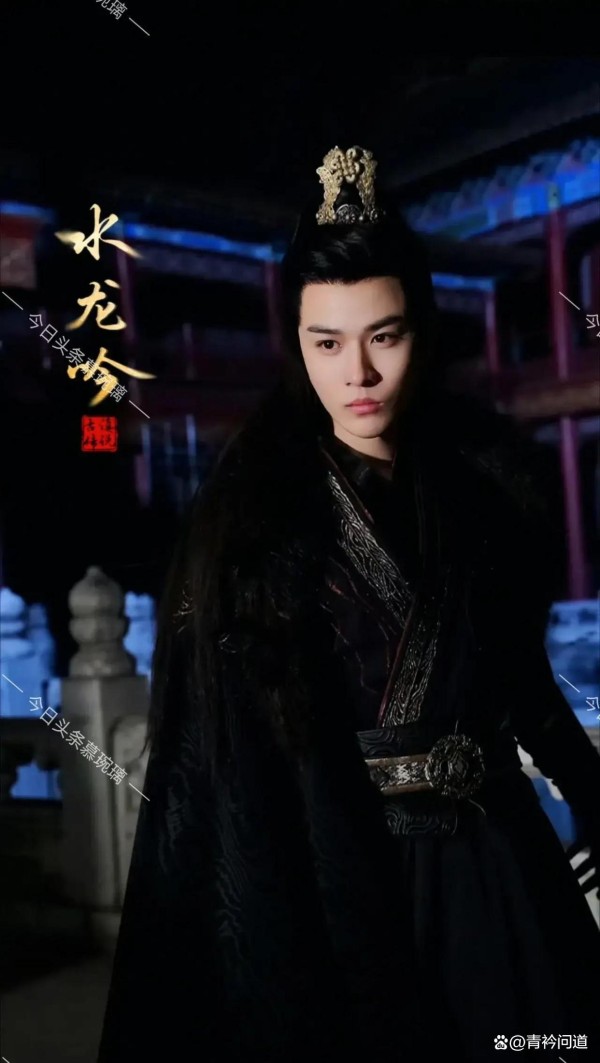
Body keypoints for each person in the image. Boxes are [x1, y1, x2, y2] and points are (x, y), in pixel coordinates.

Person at [97, 146, 600, 1063]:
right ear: (296, 342)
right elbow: (222, 761)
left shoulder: (481, 490)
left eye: (385, 336)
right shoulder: (252, 527)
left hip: (502, 859)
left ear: (421, 333)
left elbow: (523, 685)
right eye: (327, 342)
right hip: (352, 873)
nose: (358, 373)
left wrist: (591, 790)